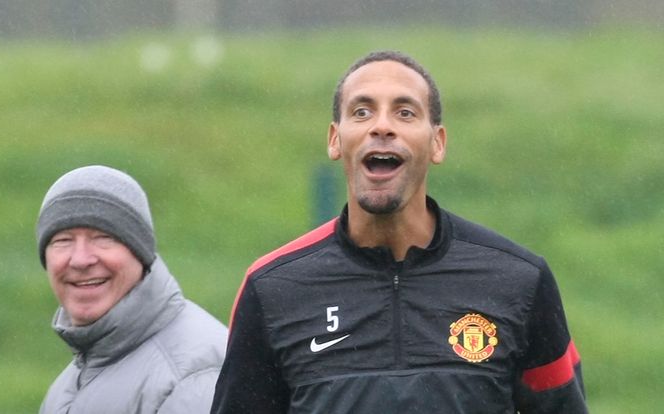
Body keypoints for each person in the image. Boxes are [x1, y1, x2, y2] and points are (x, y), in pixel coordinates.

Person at [211, 50, 587, 413]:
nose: (382, 126)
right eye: (362, 111)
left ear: (437, 143)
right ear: (335, 139)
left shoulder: (518, 280)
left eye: (405, 112)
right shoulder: (273, 289)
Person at [36, 165, 227, 413]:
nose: (80, 259)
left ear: (140, 253)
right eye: (62, 241)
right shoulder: (71, 384)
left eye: (103, 237)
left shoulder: (192, 377)